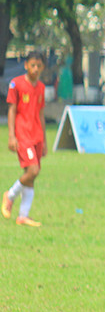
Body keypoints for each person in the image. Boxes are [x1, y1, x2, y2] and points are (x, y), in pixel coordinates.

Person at [3, 51, 47, 227]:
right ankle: (10, 195)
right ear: (26, 65)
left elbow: (41, 113)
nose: (35, 69)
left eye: (39, 66)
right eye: (32, 65)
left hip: (36, 135)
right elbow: (12, 109)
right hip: (23, 134)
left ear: (43, 67)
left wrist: (44, 140)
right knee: (33, 171)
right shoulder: (16, 84)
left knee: (31, 176)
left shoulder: (42, 88)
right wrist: (12, 135)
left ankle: (23, 216)